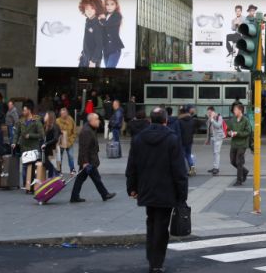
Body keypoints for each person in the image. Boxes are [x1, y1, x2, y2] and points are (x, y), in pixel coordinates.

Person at [126, 107, 188, 273]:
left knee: (151, 221)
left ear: (150, 120)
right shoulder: (172, 139)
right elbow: (179, 171)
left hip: (146, 189)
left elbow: (132, 166)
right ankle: (156, 262)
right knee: (161, 225)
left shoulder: (138, 139)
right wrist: (182, 195)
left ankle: (151, 255)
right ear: (165, 121)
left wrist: (131, 187)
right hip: (166, 190)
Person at [70, 113, 116, 203]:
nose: (98, 121)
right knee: (96, 178)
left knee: (82, 179)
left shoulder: (90, 129)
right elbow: (84, 148)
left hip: (89, 159)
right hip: (88, 161)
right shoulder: (87, 131)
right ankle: (105, 194)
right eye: (97, 119)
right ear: (91, 120)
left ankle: (74, 196)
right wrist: (85, 162)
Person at [16, 102, 44, 193]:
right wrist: (13, 142)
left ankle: (33, 185)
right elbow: (17, 133)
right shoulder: (21, 121)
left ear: (29, 110)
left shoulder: (36, 121)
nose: (23, 112)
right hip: (24, 147)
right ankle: (26, 185)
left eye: (24, 110)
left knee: (33, 168)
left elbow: (41, 135)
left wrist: (30, 135)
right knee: (24, 166)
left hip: (33, 148)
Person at [227, 104, 252, 186]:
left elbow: (248, 132)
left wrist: (237, 133)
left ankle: (239, 180)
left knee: (239, 162)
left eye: (235, 110)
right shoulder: (233, 120)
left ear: (240, 110)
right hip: (234, 144)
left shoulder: (245, 120)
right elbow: (228, 129)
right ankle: (244, 171)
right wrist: (229, 133)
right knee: (232, 161)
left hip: (242, 144)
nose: (234, 111)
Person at [78, 0, 106, 68]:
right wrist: (83, 53)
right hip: (85, 56)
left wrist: (93, 61)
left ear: (97, 9)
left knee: (92, 78)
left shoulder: (97, 24)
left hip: (93, 60)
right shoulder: (88, 20)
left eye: (92, 8)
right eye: (87, 9)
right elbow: (87, 40)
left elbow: (100, 45)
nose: (89, 11)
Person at [100, 0, 126, 68]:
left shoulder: (117, 15)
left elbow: (107, 24)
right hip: (105, 49)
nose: (109, 7)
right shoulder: (104, 15)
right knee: (107, 71)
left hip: (115, 48)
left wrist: (101, 19)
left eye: (112, 4)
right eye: (107, 4)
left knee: (109, 68)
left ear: (116, 5)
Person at [177, 105, 201, 176]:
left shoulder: (179, 121)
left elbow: (178, 132)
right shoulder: (191, 120)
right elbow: (193, 130)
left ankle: (183, 171)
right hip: (189, 141)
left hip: (182, 141)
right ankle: (192, 170)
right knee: (189, 155)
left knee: (182, 157)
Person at [205, 106, 225, 176]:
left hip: (218, 138)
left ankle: (216, 168)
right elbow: (208, 129)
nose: (209, 114)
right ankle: (214, 167)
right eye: (208, 113)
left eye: (210, 113)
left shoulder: (219, 117)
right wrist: (207, 139)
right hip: (212, 138)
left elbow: (218, 125)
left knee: (217, 152)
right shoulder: (209, 119)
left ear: (213, 112)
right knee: (214, 153)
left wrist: (212, 119)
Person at [56, 107, 77, 174]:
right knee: (60, 157)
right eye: (62, 114)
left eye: (65, 113)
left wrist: (72, 140)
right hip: (60, 141)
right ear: (60, 114)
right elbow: (55, 131)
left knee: (70, 156)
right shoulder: (57, 121)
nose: (64, 115)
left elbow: (74, 131)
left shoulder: (71, 120)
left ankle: (72, 169)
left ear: (67, 113)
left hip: (69, 141)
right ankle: (59, 170)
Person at [41, 111, 61, 178]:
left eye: (46, 115)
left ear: (49, 117)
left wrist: (46, 144)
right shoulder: (46, 126)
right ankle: (51, 182)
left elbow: (55, 138)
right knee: (50, 168)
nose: (44, 117)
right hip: (48, 150)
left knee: (52, 169)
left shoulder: (55, 126)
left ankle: (54, 184)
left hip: (53, 150)